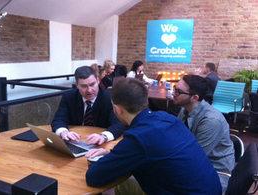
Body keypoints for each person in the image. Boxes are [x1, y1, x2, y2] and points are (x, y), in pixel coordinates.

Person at [85, 78, 222, 195]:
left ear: (118, 109)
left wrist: (110, 158)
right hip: (211, 188)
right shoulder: (168, 119)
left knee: (112, 187)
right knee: (123, 185)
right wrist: (113, 154)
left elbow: (94, 177)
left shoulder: (138, 138)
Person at [172, 75, 235, 194]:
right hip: (197, 163)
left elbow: (195, 158)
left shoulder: (211, 120)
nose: (173, 93)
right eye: (175, 88)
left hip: (216, 171)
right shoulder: (185, 109)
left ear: (194, 98)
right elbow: (177, 139)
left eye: (178, 91)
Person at [51, 66, 126, 145]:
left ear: (98, 81)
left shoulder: (110, 98)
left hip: (102, 144)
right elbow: (59, 119)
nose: (89, 90)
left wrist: (104, 136)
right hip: (75, 141)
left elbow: (118, 124)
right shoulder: (69, 96)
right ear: (77, 85)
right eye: (84, 86)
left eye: (92, 84)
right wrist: (64, 132)